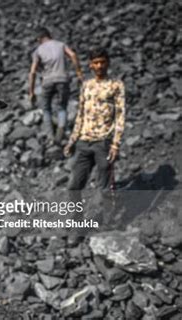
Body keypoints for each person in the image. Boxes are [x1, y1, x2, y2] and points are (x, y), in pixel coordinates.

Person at [64, 48, 125, 220]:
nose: (99, 66)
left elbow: (120, 116)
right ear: (91, 65)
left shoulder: (116, 85)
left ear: (108, 63)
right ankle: (77, 222)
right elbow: (80, 115)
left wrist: (115, 144)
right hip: (84, 142)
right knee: (73, 186)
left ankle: (109, 221)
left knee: (104, 187)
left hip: (103, 143)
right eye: (96, 62)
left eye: (102, 62)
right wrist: (72, 140)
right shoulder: (86, 86)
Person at [28, 27, 84, 144]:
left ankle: (50, 137)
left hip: (47, 81)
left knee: (46, 108)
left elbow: (32, 72)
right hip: (63, 79)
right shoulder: (61, 45)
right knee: (62, 106)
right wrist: (79, 74)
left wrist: (31, 92)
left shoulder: (38, 51)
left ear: (39, 38)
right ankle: (61, 130)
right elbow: (73, 55)